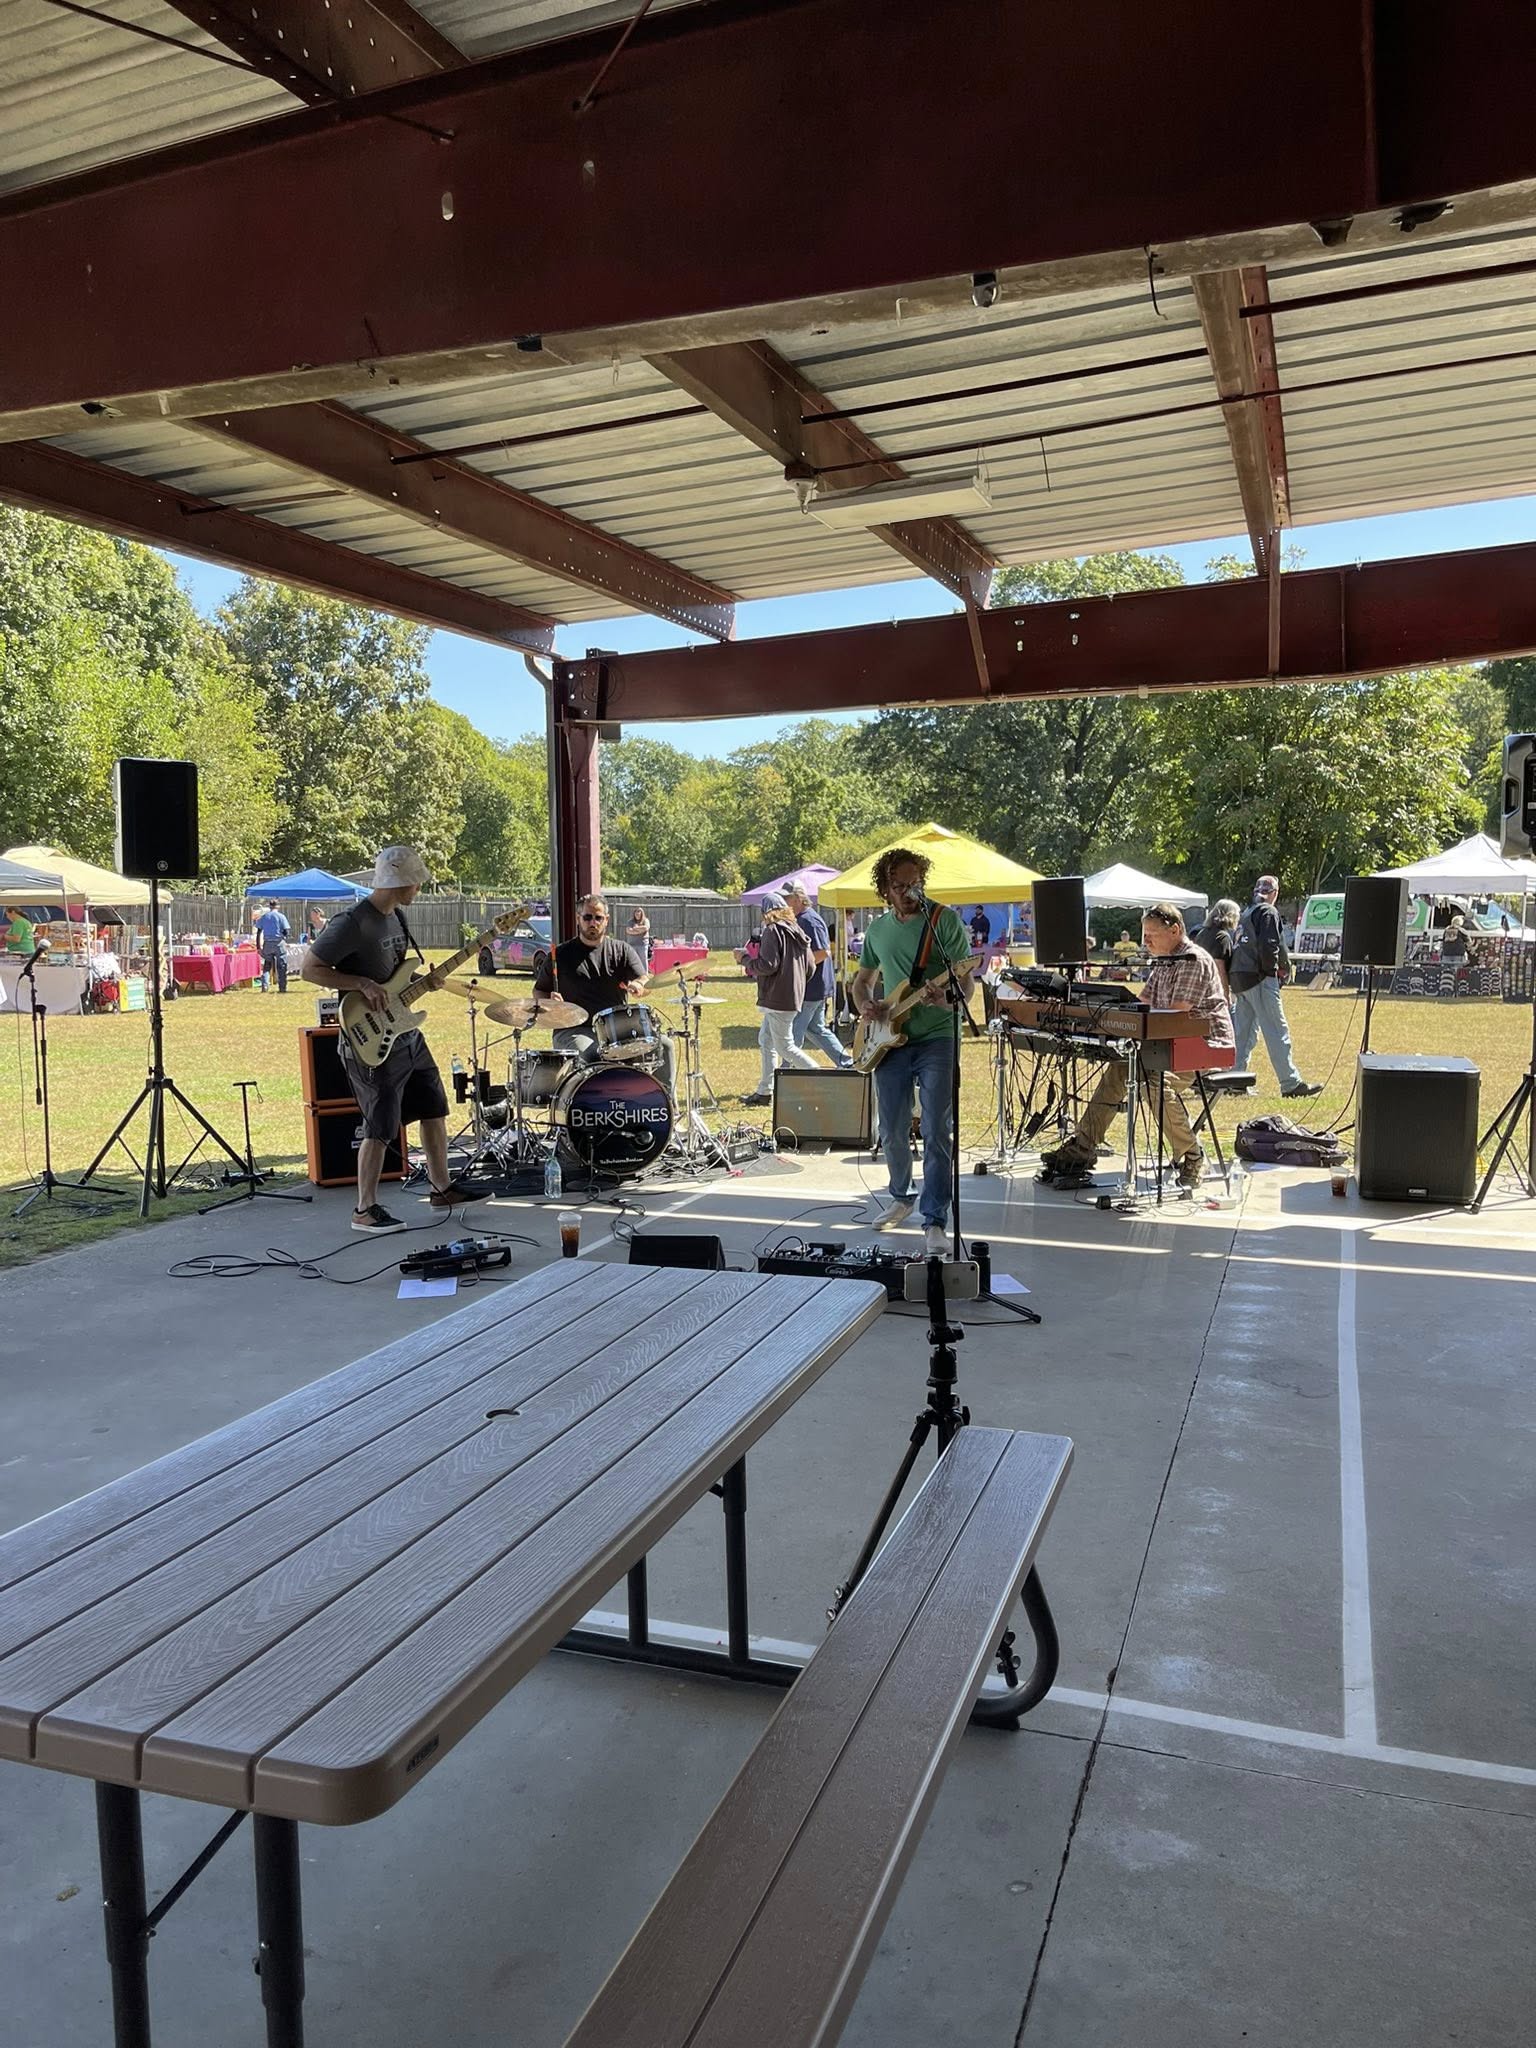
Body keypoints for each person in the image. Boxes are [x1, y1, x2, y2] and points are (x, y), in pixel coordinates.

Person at [301, 845, 481, 1232]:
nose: (419, 888)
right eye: (415, 882)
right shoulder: (352, 922)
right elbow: (310, 969)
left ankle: (441, 1188)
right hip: (370, 1040)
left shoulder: (397, 917)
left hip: (406, 1033)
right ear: (399, 882)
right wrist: (360, 983)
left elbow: (395, 978)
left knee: (434, 1107)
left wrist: (424, 981)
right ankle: (364, 1209)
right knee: (381, 1125)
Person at [1039, 903, 1234, 1191]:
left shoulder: (1192, 959)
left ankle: (1193, 1156)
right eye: (1144, 934)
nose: (1145, 941)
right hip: (1170, 1044)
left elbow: (1177, 1014)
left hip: (1206, 1047)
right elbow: (1143, 1004)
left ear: (1175, 930)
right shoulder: (1164, 962)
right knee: (1121, 1067)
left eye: (1152, 934)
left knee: (1152, 1084)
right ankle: (1082, 1148)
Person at [851, 848, 974, 1253]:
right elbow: (863, 981)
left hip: (937, 1037)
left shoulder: (943, 921)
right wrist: (865, 1004)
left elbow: (966, 983)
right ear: (884, 889)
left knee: (937, 1128)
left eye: (915, 884)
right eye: (899, 886)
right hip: (889, 1039)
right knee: (891, 1128)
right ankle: (901, 1196)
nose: (908, 893)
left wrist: (946, 999)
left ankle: (935, 1219)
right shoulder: (877, 930)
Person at [1229, 875, 1318, 1096]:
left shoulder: (1247, 913)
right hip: (1259, 977)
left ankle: (1233, 1079)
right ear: (1275, 893)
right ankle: (1290, 1083)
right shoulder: (1268, 911)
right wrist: (1273, 971)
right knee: (1276, 1030)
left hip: (1240, 977)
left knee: (1243, 1033)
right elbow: (1270, 945)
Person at [534, 895, 650, 1062]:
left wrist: (639, 985)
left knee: (664, 1046)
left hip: (617, 1031)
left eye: (598, 918)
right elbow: (539, 990)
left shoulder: (622, 951)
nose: (593, 923)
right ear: (578, 919)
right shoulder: (559, 955)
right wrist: (550, 1003)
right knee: (590, 1053)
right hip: (573, 1029)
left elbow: (645, 980)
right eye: (587, 917)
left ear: (606, 920)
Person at [738, 890, 814, 1104]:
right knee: (766, 1040)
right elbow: (810, 966)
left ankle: (823, 1078)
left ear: (765, 912)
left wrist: (744, 959)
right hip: (790, 996)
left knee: (785, 1047)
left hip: (777, 998)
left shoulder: (772, 931)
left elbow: (767, 965)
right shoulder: (797, 930)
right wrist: (796, 984)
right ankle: (765, 1091)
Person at [786, 881, 852, 1069]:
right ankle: (847, 1063)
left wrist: (797, 968)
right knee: (815, 1028)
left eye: (787, 898)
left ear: (798, 899)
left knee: (793, 1033)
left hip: (811, 988)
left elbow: (822, 952)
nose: (784, 903)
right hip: (815, 986)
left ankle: (786, 1072)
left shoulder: (809, 921)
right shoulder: (803, 919)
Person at [1192, 898, 1241, 998]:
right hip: (1214, 989)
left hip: (1200, 985)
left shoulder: (1203, 933)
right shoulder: (1222, 937)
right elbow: (1220, 968)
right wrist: (1226, 994)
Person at [252, 898, 290, 993]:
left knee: (267, 965)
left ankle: (265, 986)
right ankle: (282, 987)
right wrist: (284, 937)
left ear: (269, 906)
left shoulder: (264, 917)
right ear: (278, 906)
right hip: (279, 943)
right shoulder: (281, 917)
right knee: (281, 965)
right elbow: (286, 931)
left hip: (268, 943)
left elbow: (259, 932)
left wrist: (258, 947)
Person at [625, 904, 651, 969]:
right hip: (632, 945)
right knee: (632, 961)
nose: (637, 913)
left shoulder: (646, 920)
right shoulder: (630, 921)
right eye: (636, 912)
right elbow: (628, 931)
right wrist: (640, 931)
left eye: (639, 912)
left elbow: (646, 928)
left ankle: (644, 974)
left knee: (643, 960)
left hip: (642, 945)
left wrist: (635, 928)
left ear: (642, 913)